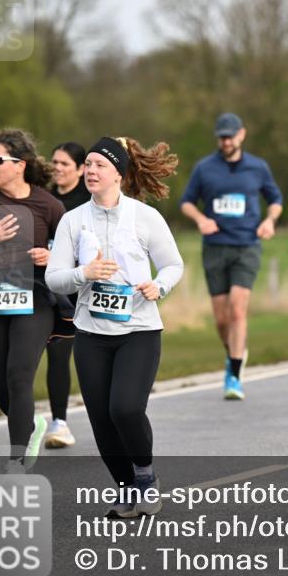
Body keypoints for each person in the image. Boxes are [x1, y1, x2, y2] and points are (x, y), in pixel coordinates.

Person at [47, 136, 183, 518]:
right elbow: (54, 277)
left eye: (99, 165)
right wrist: (84, 273)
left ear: (119, 174)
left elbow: (173, 265)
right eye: (88, 164)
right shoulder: (73, 220)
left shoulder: (145, 217)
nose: (90, 171)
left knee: (125, 409)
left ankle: (146, 478)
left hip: (139, 330)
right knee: (102, 420)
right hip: (91, 334)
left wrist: (159, 286)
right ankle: (125, 488)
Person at [0, 129, 65, 469]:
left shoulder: (49, 205)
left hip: (35, 298)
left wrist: (52, 257)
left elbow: (70, 254)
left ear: (21, 164)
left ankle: (16, 460)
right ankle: (31, 425)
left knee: (19, 375)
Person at [179, 113, 283, 400]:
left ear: (242, 135)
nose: (226, 141)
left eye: (230, 136)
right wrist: (201, 219)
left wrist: (269, 221)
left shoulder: (258, 167)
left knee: (238, 309)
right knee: (222, 318)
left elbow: (275, 200)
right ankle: (234, 352)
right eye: (222, 137)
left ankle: (234, 376)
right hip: (215, 247)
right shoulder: (204, 168)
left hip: (246, 245)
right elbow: (186, 202)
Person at [44, 142, 91, 448]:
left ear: (81, 169)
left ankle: (111, 412)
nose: (57, 168)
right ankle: (59, 423)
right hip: (49, 287)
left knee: (87, 358)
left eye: (64, 164)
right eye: (55, 162)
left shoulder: (89, 201)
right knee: (57, 353)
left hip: (83, 290)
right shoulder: (43, 197)